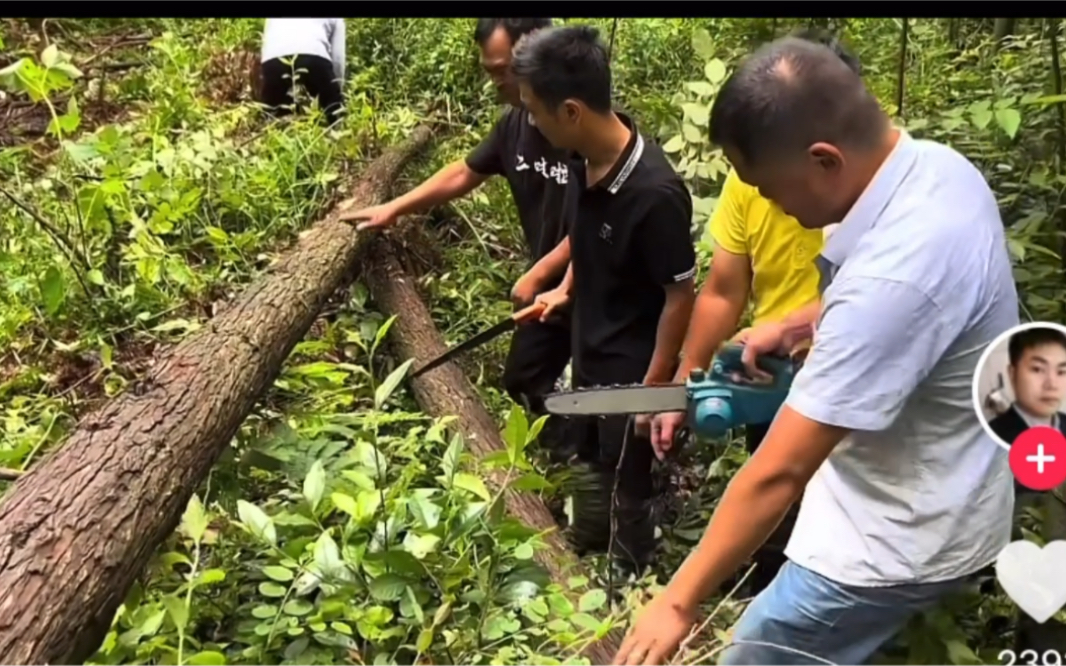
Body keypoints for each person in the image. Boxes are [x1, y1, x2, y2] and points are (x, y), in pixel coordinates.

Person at [615, 36, 1017, 665]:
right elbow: (906, 296)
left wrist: (676, 601)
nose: (773, 205)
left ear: (824, 159)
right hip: (929, 474)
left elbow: (779, 471)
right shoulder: (937, 169)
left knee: (752, 654)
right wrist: (804, 321)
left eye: (771, 189)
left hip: (899, 531)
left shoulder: (892, 281)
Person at [648, 28, 861, 598]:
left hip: (853, 384)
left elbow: (882, 292)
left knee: (841, 518)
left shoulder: (887, 189)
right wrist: (689, 380)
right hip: (768, 372)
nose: (768, 196)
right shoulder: (754, 178)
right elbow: (722, 289)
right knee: (773, 505)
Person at [339, 19, 576, 460]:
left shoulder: (576, 121)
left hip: (599, 286)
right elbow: (466, 171)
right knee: (524, 379)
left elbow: (604, 213)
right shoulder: (516, 125)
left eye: (503, 68)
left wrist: (546, 275)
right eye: (490, 70)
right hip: (546, 291)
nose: (497, 81)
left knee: (611, 389)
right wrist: (394, 208)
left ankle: (612, 477)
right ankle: (570, 454)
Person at [510, 25, 697, 572]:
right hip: (588, 349)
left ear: (570, 110)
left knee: (628, 482)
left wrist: (655, 386)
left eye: (533, 111)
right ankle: (585, 549)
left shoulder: (654, 193)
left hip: (632, 368)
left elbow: (680, 294)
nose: (528, 122)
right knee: (588, 459)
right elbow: (585, 234)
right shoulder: (579, 158)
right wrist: (563, 292)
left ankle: (628, 575)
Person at [988, 326, 1066, 446]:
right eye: (1037, 369)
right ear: (1012, 374)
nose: (1052, 385)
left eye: (1061, 372)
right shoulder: (991, 435)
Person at [259, 19, 346, 126]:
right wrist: (335, 92)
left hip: (273, 59)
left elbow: (266, 45)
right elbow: (338, 59)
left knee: (273, 118)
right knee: (333, 116)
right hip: (315, 56)